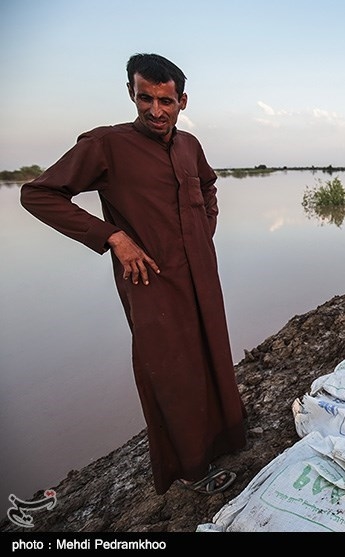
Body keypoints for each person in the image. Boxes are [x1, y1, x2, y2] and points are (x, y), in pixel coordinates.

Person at [20, 53, 247, 495]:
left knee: (211, 352)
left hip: (201, 272)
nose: (155, 111)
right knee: (168, 368)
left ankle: (227, 438)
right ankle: (191, 468)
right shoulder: (106, 145)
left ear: (182, 101)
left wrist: (206, 230)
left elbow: (207, 185)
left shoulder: (189, 146)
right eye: (145, 99)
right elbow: (39, 194)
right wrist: (114, 238)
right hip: (152, 281)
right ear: (132, 94)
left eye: (165, 101)